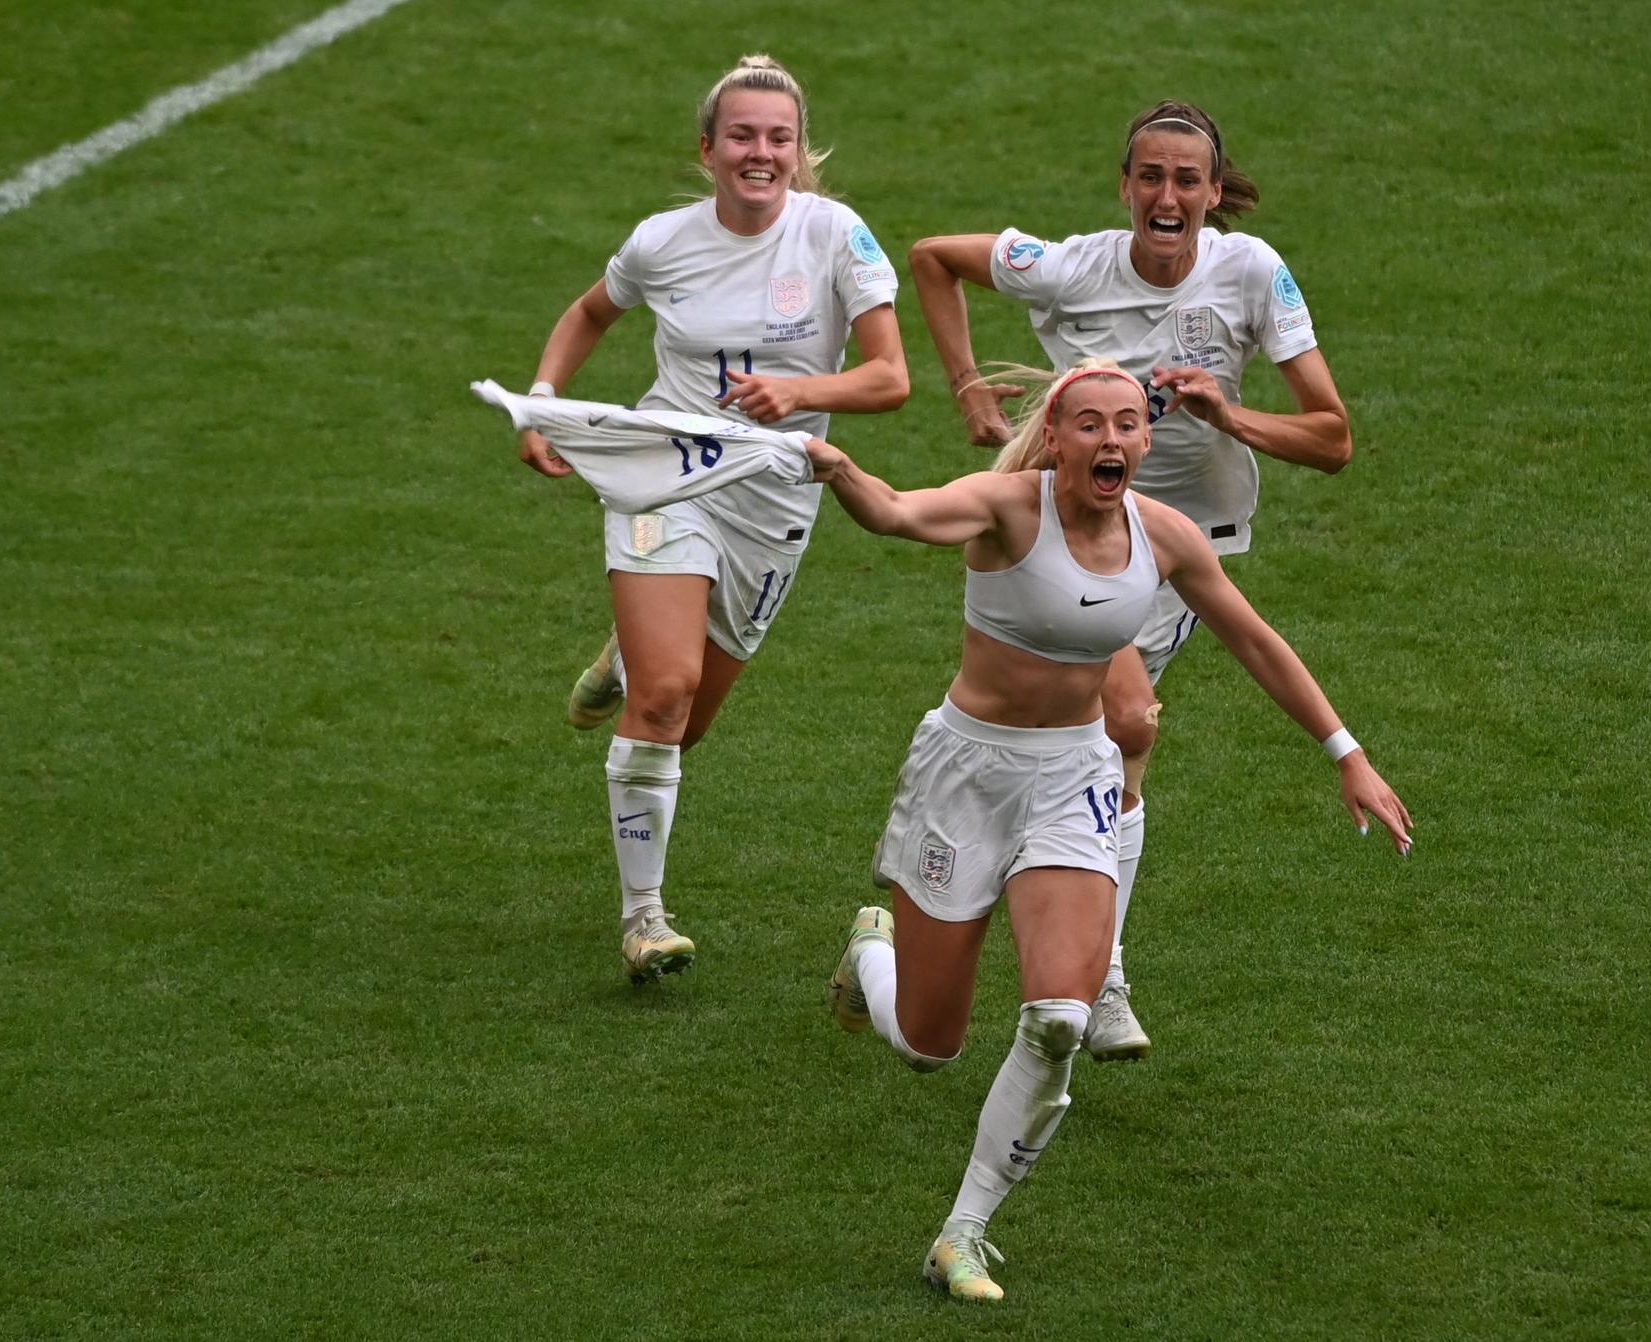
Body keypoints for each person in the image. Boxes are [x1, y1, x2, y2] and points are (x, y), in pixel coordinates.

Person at [806, 361, 1411, 1302]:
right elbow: (897, 513)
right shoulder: (1006, 507)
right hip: (967, 773)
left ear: (1147, 439)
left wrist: (1348, 754)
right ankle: (871, 955)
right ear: (1057, 436)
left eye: (1130, 424)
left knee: (1057, 1021)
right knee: (931, 1045)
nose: (1114, 441)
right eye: (1091, 425)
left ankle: (962, 1233)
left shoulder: (1161, 534)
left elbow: (1255, 638)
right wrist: (840, 472)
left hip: (1073, 776)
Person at [906, 100, 1354, 1062]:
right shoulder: (1068, 266)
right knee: (1124, 727)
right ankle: (1089, 972)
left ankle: (1027, 925)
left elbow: (1332, 439)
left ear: (1212, 192)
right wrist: (968, 388)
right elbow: (934, 257)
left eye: (1187, 180)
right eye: (1150, 176)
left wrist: (1230, 417)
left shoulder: (1252, 273)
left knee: (1113, 733)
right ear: (1125, 187)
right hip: (1058, 532)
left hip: (1182, 547)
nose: (1167, 195)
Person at [516, 55, 908, 984]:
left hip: (774, 499)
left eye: (778, 139)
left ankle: (628, 647)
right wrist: (542, 399)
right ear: (709, 149)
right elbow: (588, 312)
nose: (759, 153)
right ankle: (643, 918)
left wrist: (801, 391)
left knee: (682, 725)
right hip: (664, 477)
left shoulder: (837, 237)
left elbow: (890, 379)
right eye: (741, 137)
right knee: (662, 700)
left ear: (798, 151)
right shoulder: (663, 241)